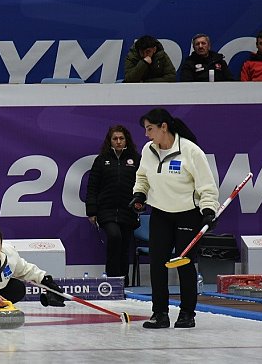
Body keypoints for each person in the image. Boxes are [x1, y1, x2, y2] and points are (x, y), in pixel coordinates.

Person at [129, 108, 219, 329]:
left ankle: (187, 313)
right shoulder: (148, 150)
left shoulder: (191, 151)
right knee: (157, 265)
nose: (146, 134)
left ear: (164, 127)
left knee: (185, 264)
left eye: (150, 129)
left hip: (187, 215)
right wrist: (139, 194)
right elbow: (142, 176)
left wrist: (208, 210)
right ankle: (159, 313)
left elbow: (207, 187)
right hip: (160, 214)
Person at [85, 125, 140, 286]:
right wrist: (91, 211)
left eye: (121, 138)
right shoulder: (101, 160)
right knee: (114, 237)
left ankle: (123, 282)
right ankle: (112, 279)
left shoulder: (136, 159)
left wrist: (140, 203)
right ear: (110, 141)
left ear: (126, 140)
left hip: (128, 211)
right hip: (106, 211)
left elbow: (144, 184)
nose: (118, 142)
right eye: (115, 138)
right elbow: (92, 186)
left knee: (124, 246)